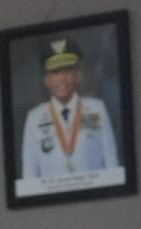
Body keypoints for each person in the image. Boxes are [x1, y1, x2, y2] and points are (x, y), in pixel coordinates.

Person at [20, 38, 118, 184]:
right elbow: (29, 173)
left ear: (78, 76)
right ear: (47, 80)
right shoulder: (34, 118)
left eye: (68, 71)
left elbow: (111, 162)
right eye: (55, 72)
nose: (62, 79)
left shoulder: (97, 109)